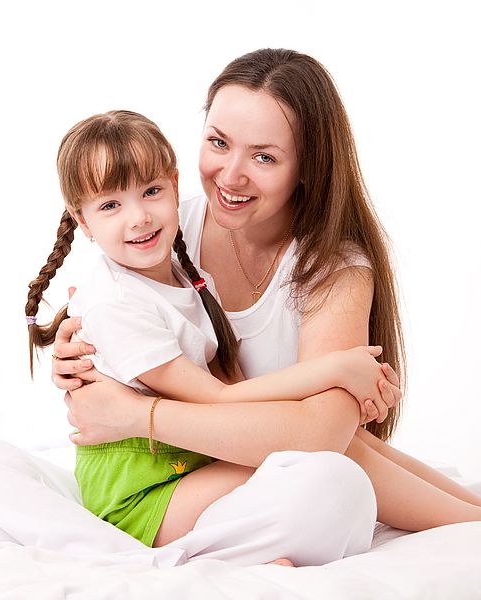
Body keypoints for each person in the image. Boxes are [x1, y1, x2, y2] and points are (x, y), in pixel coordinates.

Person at [53, 48, 481, 535]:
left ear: (307, 166)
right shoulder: (161, 237)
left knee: (334, 460)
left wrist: (135, 416)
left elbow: (324, 434)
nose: (231, 176)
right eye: (219, 143)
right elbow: (117, 322)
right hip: (169, 475)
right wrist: (73, 357)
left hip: (218, 458)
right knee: (324, 474)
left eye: (264, 157)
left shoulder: (332, 267)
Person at [24, 109, 398, 550]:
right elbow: (219, 398)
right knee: (310, 465)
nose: (139, 217)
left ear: (174, 185)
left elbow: (234, 388)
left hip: (187, 465)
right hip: (140, 497)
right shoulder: (116, 302)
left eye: (151, 191)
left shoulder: (188, 276)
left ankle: (475, 514)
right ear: (82, 222)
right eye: (110, 205)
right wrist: (335, 370)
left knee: (322, 451)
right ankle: (472, 517)